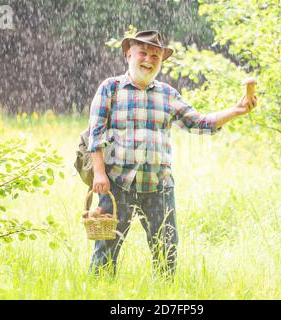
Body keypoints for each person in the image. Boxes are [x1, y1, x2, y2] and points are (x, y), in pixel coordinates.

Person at [87, 30, 257, 277]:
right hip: (116, 184)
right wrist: (100, 175)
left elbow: (200, 123)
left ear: (161, 61)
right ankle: (99, 290)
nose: (148, 59)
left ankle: (166, 295)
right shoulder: (110, 89)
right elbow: (96, 135)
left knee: (166, 252)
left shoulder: (168, 94)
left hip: (160, 187)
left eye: (155, 55)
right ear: (128, 54)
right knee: (105, 251)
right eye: (143, 52)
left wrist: (237, 110)